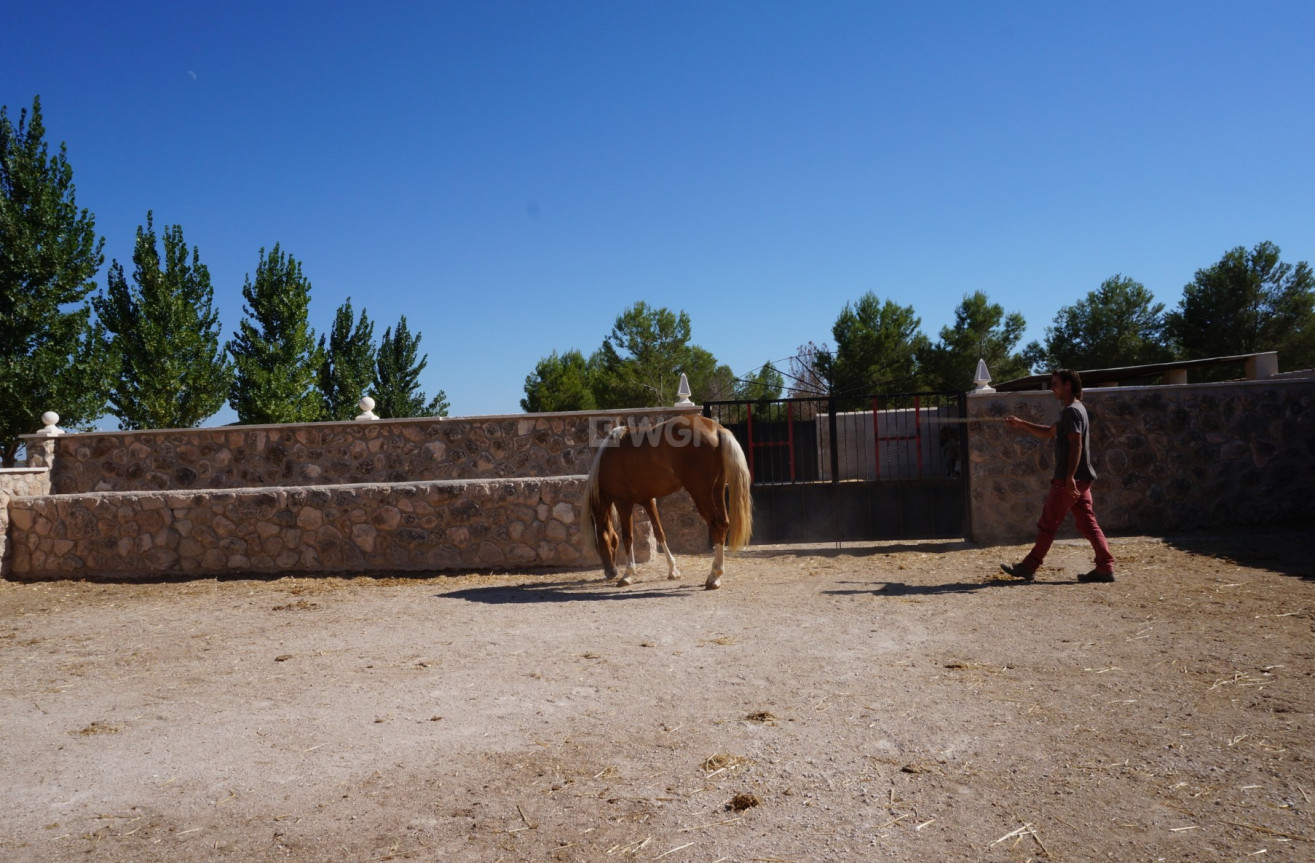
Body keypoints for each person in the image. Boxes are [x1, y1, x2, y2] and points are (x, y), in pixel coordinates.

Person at [999, 369, 1115, 583]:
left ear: (1068, 385)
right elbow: (1049, 432)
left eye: (1055, 384)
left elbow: (1076, 443)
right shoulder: (1073, 410)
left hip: (1069, 479)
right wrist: (1021, 423)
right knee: (1088, 524)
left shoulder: (1072, 411)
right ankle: (1105, 567)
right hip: (1080, 478)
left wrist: (1069, 477)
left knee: (1047, 523)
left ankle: (1029, 566)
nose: (1052, 388)